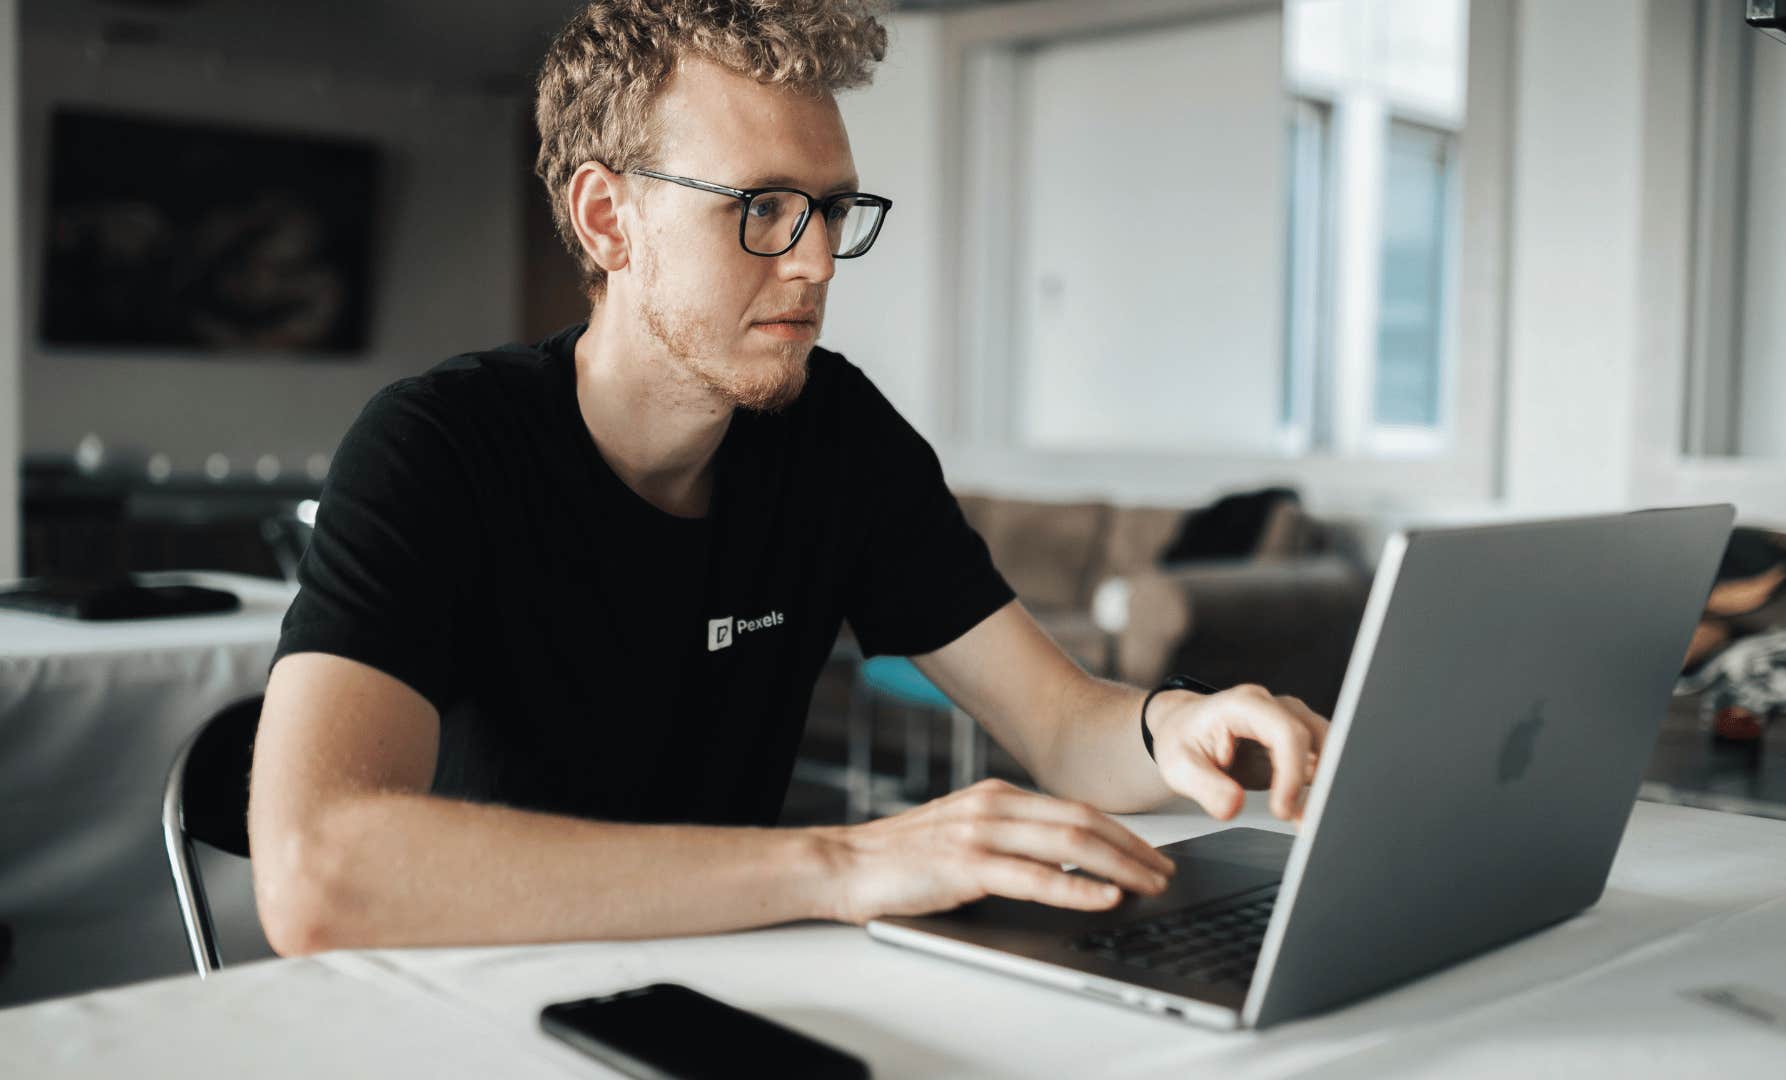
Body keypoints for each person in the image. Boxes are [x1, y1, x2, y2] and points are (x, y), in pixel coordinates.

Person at [249, 0, 1327, 956]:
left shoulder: (835, 433)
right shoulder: (438, 447)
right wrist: (844, 865)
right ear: (606, 218)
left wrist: (1176, 728)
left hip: (733, 974)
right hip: (468, 991)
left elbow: (1061, 724)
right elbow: (316, 873)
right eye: (760, 206)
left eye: (832, 209)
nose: (813, 262)